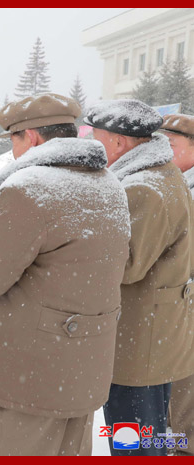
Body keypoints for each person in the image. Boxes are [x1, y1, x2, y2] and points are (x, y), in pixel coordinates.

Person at [0, 93, 131, 456]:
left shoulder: (30, 189)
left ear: (31, 137)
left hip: (30, 371)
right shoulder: (110, 184)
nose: (13, 152)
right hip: (83, 363)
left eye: (14, 140)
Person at [85, 100, 193, 456]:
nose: (93, 145)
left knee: (133, 440)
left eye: (97, 138)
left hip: (138, 343)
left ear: (119, 142)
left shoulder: (143, 188)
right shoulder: (160, 174)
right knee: (144, 435)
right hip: (151, 335)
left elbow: (127, 265)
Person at [159, 113, 194, 457]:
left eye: (171, 145)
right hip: (175, 301)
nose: (164, 152)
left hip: (187, 299)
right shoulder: (172, 183)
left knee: (187, 384)